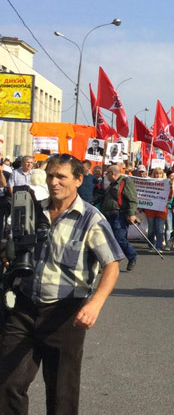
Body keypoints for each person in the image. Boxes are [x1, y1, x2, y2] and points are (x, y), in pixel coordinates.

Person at [0, 154, 123, 414]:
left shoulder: (91, 219)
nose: (54, 182)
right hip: (23, 308)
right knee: (7, 383)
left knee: (61, 395)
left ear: (79, 180)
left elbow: (112, 265)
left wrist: (96, 304)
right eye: (50, 176)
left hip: (65, 314)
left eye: (61, 177)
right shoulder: (32, 211)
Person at [100, 164, 139, 271]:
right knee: (105, 239)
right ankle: (105, 263)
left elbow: (132, 199)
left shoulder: (125, 182)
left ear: (112, 174)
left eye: (107, 173)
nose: (106, 175)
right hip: (108, 214)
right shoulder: (112, 185)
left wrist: (132, 213)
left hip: (119, 215)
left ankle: (132, 256)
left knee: (119, 238)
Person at [144, 167, 168, 252]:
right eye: (156, 173)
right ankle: (151, 245)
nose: (158, 175)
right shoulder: (149, 183)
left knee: (160, 228)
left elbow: (169, 196)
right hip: (151, 209)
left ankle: (158, 246)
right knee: (151, 229)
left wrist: (170, 188)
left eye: (160, 173)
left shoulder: (166, 183)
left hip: (161, 210)